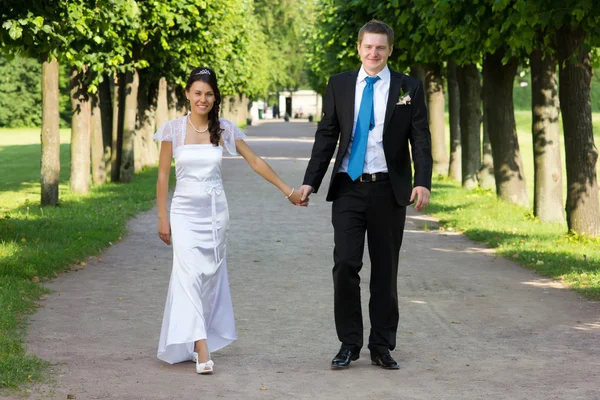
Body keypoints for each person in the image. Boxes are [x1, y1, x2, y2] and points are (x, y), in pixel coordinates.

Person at [298, 20, 432, 370]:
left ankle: (381, 346)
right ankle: (349, 343)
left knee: (385, 270)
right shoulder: (339, 84)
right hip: (348, 187)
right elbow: (327, 134)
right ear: (358, 48)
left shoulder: (409, 88)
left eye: (381, 48)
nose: (374, 53)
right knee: (345, 264)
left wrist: (423, 181)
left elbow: (420, 138)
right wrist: (310, 181)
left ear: (390, 50)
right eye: (368, 47)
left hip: (390, 189)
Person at [154, 66, 305, 375]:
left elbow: (254, 161)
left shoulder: (223, 129)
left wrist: (287, 190)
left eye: (209, 94)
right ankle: (201, 346)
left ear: (215, 97)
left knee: (208, 277)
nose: (203, 99)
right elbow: (162, 176)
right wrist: (162, 217)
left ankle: (196, 338)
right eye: (197, 93)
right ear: (187, 94)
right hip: (183, 213)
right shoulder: (172, 130)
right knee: (187, 275)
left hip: (214, 213)